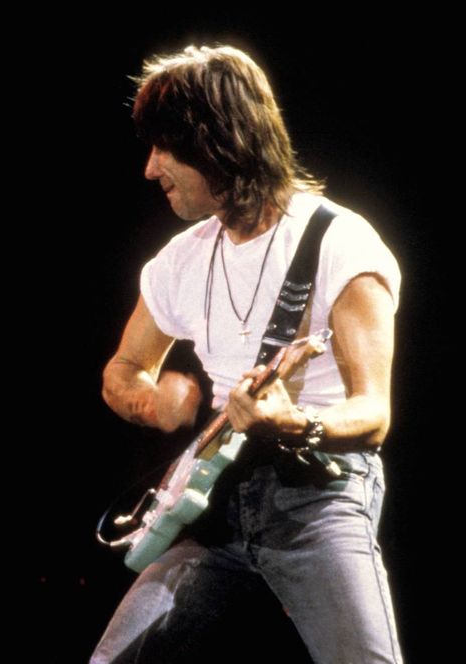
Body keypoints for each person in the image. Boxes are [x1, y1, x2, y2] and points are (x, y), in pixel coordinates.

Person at [90, 45, 403, 663]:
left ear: (216, 144)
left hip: (318, 500)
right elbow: (122, 371)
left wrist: (295, 422)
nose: (151, 168)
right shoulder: (181, 258)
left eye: (164, 147)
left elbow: (373, 414)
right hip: (212, 503)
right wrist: (151, 404)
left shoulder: (339, 243)